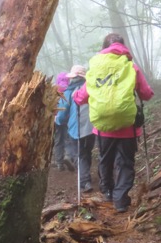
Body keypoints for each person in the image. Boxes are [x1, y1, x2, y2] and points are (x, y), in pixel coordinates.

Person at [73, 33, 154, 213]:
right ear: (123, 46)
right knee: (125, 162)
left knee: (105, 160)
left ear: (104, 47)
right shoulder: (131, 67)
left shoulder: (95, 70)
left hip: (102, 128)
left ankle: (108, 191)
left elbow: (81, 97)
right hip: (128, 127)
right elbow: (146, 94)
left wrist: (75, 95)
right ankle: (120, 199)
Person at [55, 65, 95, 192]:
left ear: (73, 78)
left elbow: (61, 113)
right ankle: (85, 175)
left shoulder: (68, 92)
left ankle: (85, 181)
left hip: (75, 129)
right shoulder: (92, 88)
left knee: (79, 154)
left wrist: (57, 120)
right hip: (92, 127)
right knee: (87, 152)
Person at [52, 71, 75, 171]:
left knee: (58, 141)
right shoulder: (70, 89)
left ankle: (59, 162)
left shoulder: (54, 90)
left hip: (56, 119)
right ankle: (69, 157)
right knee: (68, 140)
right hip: (68, 119)